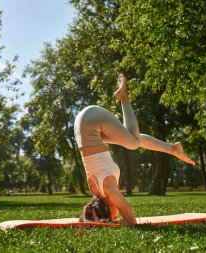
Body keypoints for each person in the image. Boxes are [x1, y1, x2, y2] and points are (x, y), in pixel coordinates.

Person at [74, 74, 196, 225]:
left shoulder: (109, 192)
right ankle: (172, 148)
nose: (116, 215)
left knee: (132, 142)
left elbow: (131, 221)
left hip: (90, 121)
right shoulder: (97, 192)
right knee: (133, 140)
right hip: (84, 124)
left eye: (113, 216)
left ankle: (124, 97)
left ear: (109, 210)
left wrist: (112, 223)